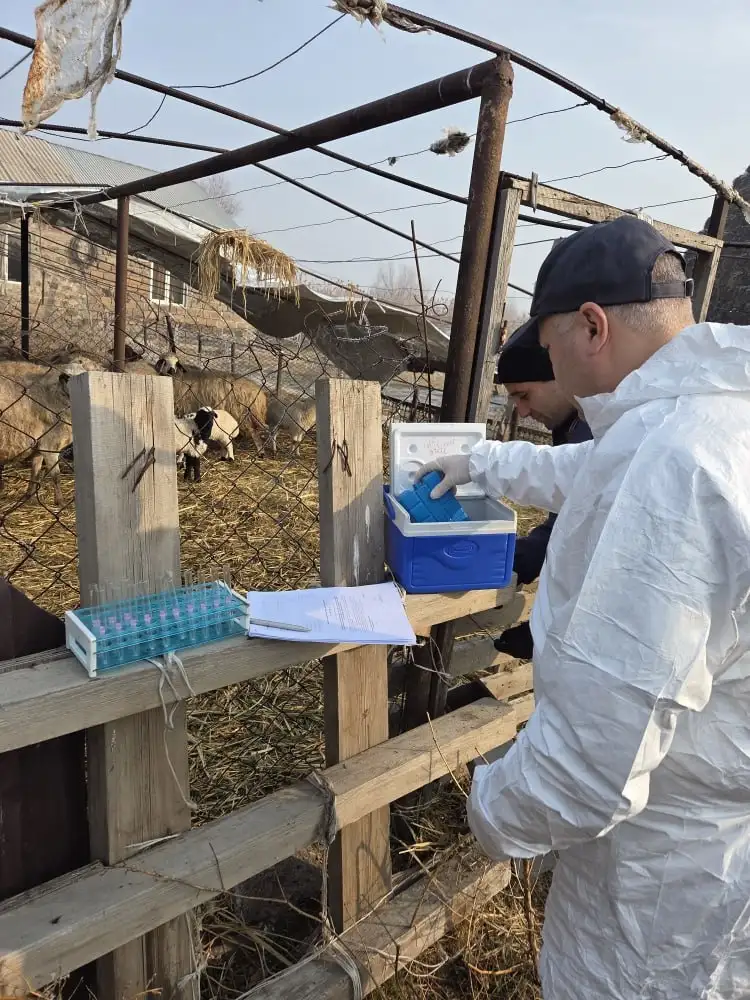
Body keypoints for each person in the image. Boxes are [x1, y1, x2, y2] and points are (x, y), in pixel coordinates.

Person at [417, 215, 750, 1000]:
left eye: (550, 342)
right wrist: (480, 462)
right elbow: (592, 471)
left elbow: (591, 769)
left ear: (592, 326)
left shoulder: (673, 468)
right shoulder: (714, 420)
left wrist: (488, 805)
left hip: (657, 890)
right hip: (718, 843)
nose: (552, 364)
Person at [492, 320, 592, 661]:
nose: (521, 410)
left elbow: (591, 549)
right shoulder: (574, 426)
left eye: (524, 395)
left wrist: (552, 633)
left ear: (560, 377)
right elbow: (566, 521)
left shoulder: (598, 434)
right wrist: (518, 559)